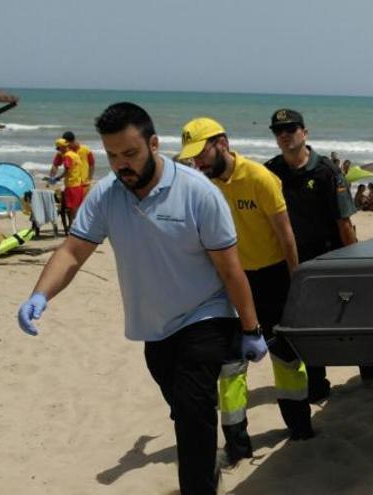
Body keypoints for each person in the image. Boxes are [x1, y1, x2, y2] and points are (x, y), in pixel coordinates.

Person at [17, 102, 267, 495]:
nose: (122, 165)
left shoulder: (198, 192)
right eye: (113, 156)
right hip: (153, 328)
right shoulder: (106, 197)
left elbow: (230, 268)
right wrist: (40, 295)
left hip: (206, 316)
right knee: (185, 413)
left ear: (153, 144)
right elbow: (72, 251)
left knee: (192, 414)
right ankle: (206, 469)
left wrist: (251, 328)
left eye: (130, 154)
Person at [178, 117, 313, 464]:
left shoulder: (260, 178)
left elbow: (286, 236)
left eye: (202, 153)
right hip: (229, 281)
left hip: (272, 279)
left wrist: (296, 283)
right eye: (192, 157)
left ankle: (299, 426)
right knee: (230, 365)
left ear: (221, 143)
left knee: (286, 356)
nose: (198, 162)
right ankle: (237, 443)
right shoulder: (202, 185)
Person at [264, 108, 373, 401]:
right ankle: (317, 384)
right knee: (306, 327)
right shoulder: (270, 172)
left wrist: (353, 265)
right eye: (278, 131)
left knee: (351, 317)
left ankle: (367, 363)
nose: (284, 135)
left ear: (305, 132)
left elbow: (344, 223)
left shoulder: (327, 171)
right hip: (292, 263)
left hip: (330, 259)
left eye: (290, 129)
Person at [48, 138, 88, 227]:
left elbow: (67, 170)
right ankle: (77, 226)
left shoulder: (67, 156)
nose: (58, 151)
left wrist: (57, 178)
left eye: (58, 149)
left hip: (71, 185)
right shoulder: (75, 155)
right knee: (77, 207)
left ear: (62, 147)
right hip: (79, 184)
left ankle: (71, 227)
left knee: (70, 208)